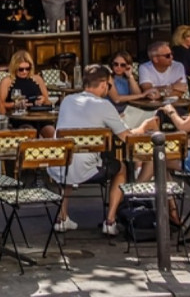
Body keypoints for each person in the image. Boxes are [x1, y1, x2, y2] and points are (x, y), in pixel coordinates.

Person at [49, 65, 158, 235]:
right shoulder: (103, 105)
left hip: (58, 165)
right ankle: (110, 220)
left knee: (70, 161)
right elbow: (127, 137)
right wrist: (144, 127)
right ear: (102, 85)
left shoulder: (67, 100)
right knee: (120, 168)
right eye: (109, 85)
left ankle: (62, 217)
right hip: (87, 168)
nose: (109, 89)